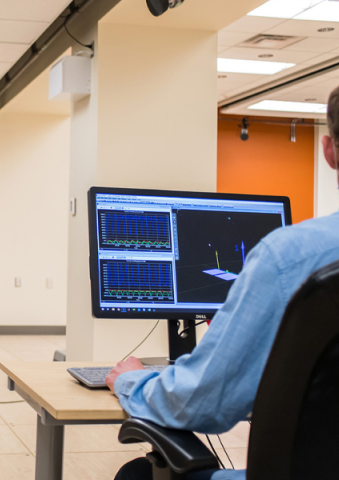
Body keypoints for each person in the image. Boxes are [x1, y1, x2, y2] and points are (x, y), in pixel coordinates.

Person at [107, 85, 339, 480]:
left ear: (329, 150)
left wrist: (129, 378)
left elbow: (201, 404)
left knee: (137, 475)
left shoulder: (290, 257)